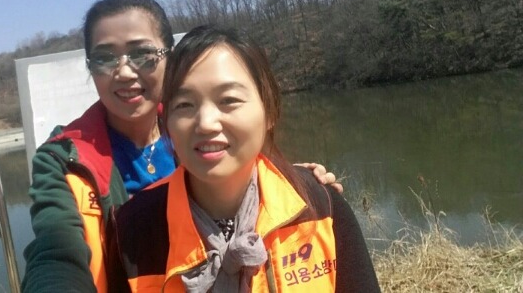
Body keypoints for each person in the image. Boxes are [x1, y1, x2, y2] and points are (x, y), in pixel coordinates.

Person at [21, 0, 342, 293]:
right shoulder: (66, 159)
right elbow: (55, 251)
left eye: (142, 54)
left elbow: (258, 178)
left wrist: (297, 182)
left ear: (170, 59)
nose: (125, 72)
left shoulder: (203, 128)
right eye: (105, 58)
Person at [108, 25, 379, 292]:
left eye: (228, 100)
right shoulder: (132, 231)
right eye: (185, 105)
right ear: (167, 122)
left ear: (269, 110)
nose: (206, 123)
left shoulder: (320, 206)